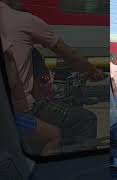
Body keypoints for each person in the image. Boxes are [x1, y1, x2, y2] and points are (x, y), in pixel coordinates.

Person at [0, 0, 103, 155]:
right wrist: (92, 71)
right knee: (85, 119)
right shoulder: (24, 20)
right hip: (19, 109)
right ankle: (80, 165)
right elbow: (71, 55)